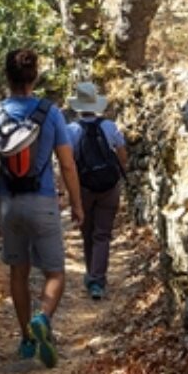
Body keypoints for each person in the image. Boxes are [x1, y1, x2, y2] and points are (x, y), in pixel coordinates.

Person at [0, 48, 84, 368]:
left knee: (18, 273)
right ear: (34, 75)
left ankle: (26, 340)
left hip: (9, 204)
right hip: (43, 201)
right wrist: (77, 205)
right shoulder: (50, 113)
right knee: (55, 272)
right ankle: (43, 318)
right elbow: (67, 164)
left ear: (6, 76)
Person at [66, 80, 128, 301]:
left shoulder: (71, 130)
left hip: (84, 187)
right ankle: (97, 279)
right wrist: (120, 174)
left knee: (87, 232)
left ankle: (92, 275)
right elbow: (122, 154)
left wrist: (70, 195)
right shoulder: (109, 127)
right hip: (109, 186)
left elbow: (67, 163)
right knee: (102, 234)